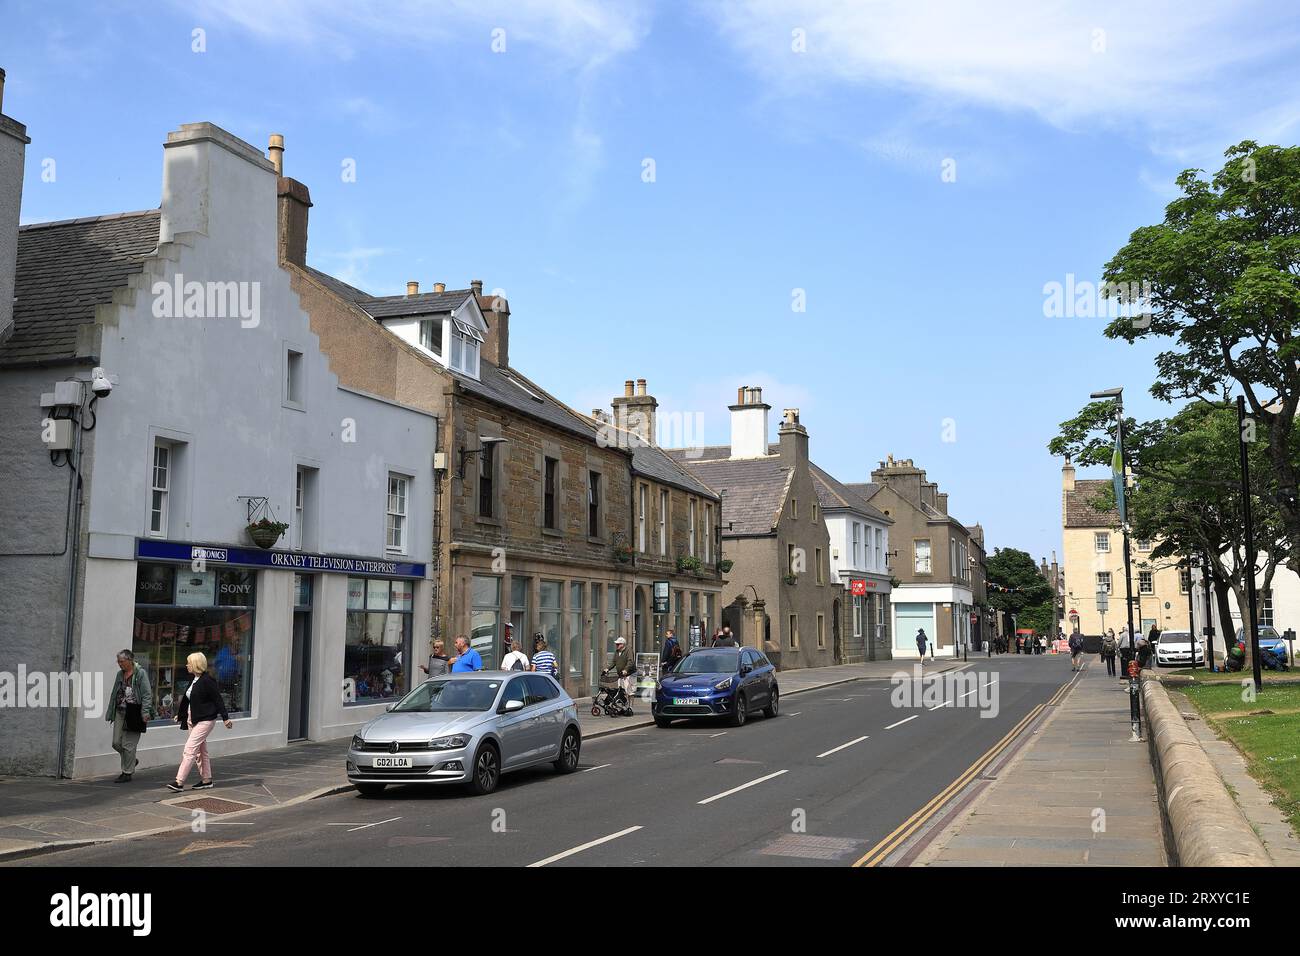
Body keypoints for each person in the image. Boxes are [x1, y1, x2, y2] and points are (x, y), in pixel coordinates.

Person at [168, 652, 231, 792]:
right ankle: (207, 780)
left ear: (195, 664)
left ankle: (179, 781)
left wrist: (225, 718)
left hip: (205, 720)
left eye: (188, 663)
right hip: (193, 718)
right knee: (200, 752)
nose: (186, 665)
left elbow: (218, 699)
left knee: (190, 749)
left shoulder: (207, 680)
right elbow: (188, 700)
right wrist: (181, 715)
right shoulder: (194, 679)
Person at [106, 649, 154, 783]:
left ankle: (127, 773)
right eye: (118, 662)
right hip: (120, 711)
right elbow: (114, 693)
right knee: (116, 743)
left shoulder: (140, 673)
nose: (119, 664)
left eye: (121, 661)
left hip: (135, 712)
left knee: (128, 745)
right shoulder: (119, 675)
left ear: (130, 660)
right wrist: (111, 711)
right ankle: (131, 760)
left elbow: (146, 694)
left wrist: (145, 712)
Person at [610, 636, 635, 711]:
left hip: (630, 674)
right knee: (622, 691)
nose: (616, 645)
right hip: (621, 675)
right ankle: (624, 706)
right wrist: (608, 668)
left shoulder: (628, 650)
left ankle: (630, 707)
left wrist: (626, 670)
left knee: (630, 691)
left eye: (618, 644)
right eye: (616, 644)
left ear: (623, 644)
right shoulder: (617, 652)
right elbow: (614, 662)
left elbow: (630, 661)